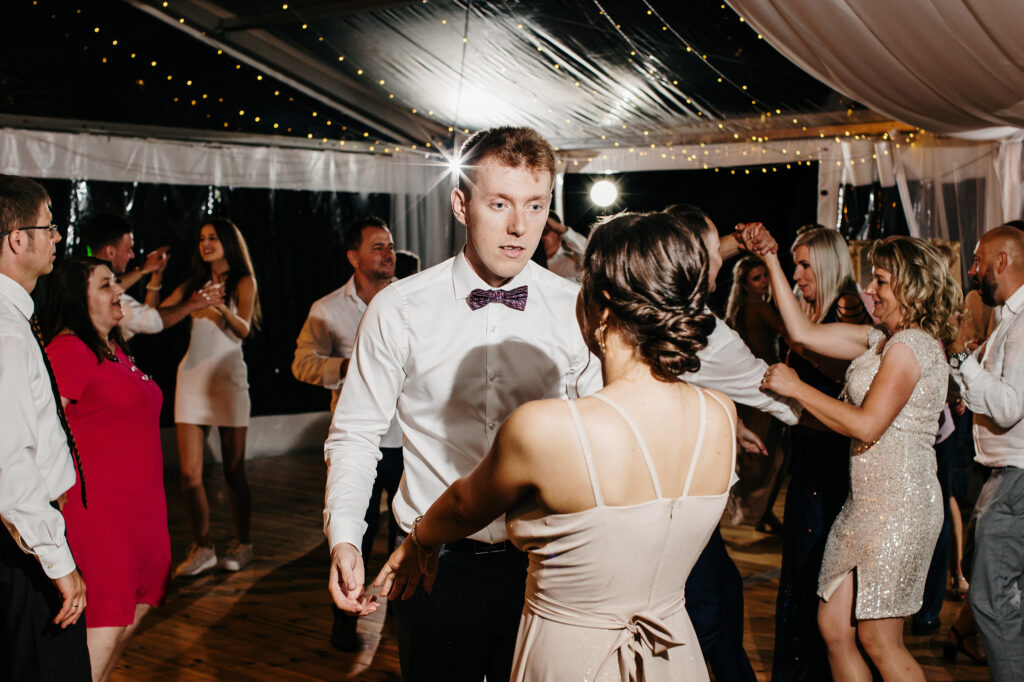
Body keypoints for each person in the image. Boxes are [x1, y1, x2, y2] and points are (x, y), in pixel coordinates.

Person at [374, 210, 736, 681]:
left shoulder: (546, 428)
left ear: (599, 308)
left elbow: (463, 506)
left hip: (572, 656)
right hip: (672, 652)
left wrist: (418, 541)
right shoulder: (720, 414)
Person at [324, 126, 601, 681]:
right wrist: (346, 537)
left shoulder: (577, 309)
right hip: (432, 563)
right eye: (499, 204)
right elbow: (355, 433)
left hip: (545, 565)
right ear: (460, 204)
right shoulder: (398, 309)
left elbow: (595, 440)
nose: (520, 226)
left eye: (535, 205)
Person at [758, 235, 961, 682]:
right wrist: (771, 259)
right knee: (835, 627)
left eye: (881, 281)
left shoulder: (911, 347)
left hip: (900, 505)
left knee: (880, 640)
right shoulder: (881, 341)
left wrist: (797, 389)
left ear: (910, 287)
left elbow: (868, 425)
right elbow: (802, 333)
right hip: (867, 503)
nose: (869, 290)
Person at [664, 204, 800, 682]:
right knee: (710, 615)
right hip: (678, 499)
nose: (720, 260)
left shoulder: (635, 298)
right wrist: (860, 415)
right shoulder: (706, 334)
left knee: (722, 594)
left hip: (659, 491)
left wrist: (740, 243)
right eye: (714, 251)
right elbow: (785, 403)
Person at [42, 258, 170, 681]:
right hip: (100, 519)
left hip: (141, 516)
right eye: (105, 284)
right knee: (105, 630)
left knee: (125, 627)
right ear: (77, 298)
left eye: (116, 281)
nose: (119, 291)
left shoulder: (113, 348)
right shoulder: (70, 350)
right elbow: (38, 431)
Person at [291, 217, 403, 651]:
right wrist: (351, 367)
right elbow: (302, 363)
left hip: (408, 440)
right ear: (353, 257)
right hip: (360, 441)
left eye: (390, 246)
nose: (388, 254)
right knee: (356, 531)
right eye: (378, 247)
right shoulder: (326, 309)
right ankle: (344, 618)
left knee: (407, 532)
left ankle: (401, 619)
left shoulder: (408, 301)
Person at [0, 173, 90, 680]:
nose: (58, 237)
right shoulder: (7, 331)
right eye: (49, 226)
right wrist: (58, 561)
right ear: (17, 239)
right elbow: (10, 462)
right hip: (17, 547)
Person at [771, 226, 870, 681]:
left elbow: (842, 385)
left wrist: (795, 396)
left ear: (829, 265)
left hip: (836, 464)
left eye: (805, 265)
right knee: (799, 570)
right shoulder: (810, 310)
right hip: (809, 454)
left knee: (818, 576)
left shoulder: (847, 309)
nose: (798, 274)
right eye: (795, 265)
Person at [162, 217, 261, 577]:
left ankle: (244, 544)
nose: (205, 244)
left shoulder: (243, 281)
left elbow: (243, 330)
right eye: (202, 238)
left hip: (227, 380)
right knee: (189, 474)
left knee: (234, 471)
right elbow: (158, 315)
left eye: (213, 238)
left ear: (228, 243)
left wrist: (218, 306)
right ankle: (203, 547)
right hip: (190, 379)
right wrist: (155, 281)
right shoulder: (194, 283)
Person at [947, 225, 1024, 681]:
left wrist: (962, 358)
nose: (973, 272)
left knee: (991, 599)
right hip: (1005, 476)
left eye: (978, 261)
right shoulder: (1008, 318)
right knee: (999, 591)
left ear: (1002, 261)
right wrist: (967, 367)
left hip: (1016, 476)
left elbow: (1009, 407)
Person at [81, 214, 222, 337]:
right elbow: (153, 321)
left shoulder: (81, 280)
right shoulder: (108, 300)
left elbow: (148, 314)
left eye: (212, 238)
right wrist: (193, 304)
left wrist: (150, 272)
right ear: (110, 252)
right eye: (129, 249)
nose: (132, 255)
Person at [725, 255, 787, 531]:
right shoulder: (758, 307)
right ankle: (757, 513)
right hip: (766, 383)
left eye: (765, 275)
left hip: (749, 384)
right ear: (746, 285)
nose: (764, 281)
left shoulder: (738, 310)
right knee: (768, 451)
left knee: (765, 451)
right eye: (757, 278)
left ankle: (760, 513)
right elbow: (789, 331)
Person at [540, 211, 586, 280]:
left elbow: (589, 252)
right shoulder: (528, 263)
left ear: (558, 233)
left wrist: (562, 229)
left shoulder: (574, 260)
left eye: (544, 231)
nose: (540, 237)